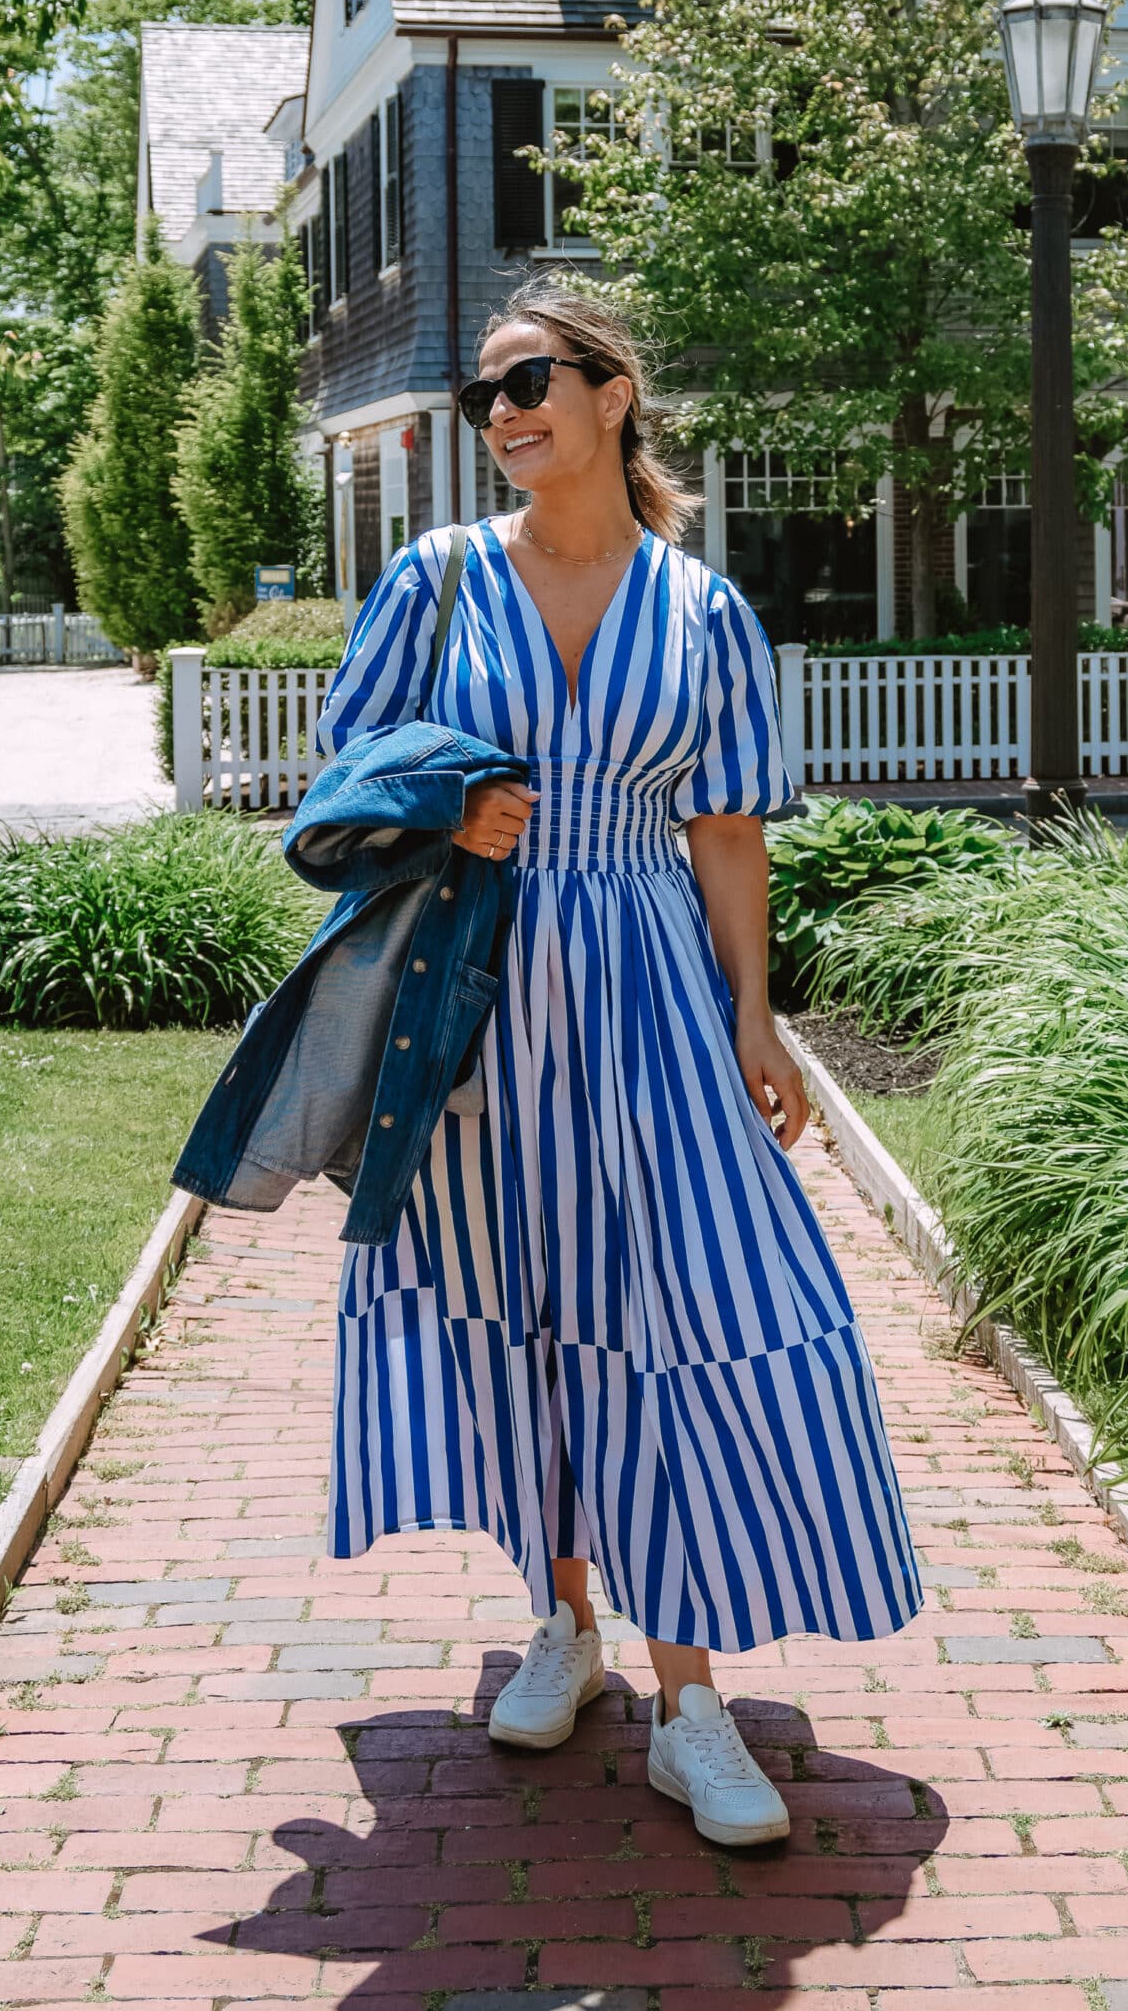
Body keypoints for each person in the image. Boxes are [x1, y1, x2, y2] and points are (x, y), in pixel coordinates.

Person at [315, 278, 921, 1848]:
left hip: (648, 976)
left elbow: (725, 825)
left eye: (530, 380)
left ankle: (691, 1700)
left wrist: (754, 1013)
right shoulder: (435, 581)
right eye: (485, 395)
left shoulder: (701, 606)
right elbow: (342, 781)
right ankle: (564, 1622)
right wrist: (445, 815)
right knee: (528, 1309)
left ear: (611, 392)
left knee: (686, 1307)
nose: (504, 412)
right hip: (479, 994)